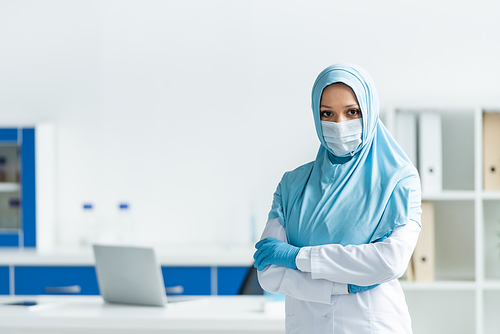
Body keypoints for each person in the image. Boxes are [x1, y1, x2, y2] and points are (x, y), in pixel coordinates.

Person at [253, 63, 422, 334]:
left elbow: (390, 261)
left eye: (352, 112)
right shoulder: (293, 184)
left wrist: (298, 258)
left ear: (368, 111)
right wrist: (344, 284)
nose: (339, 125)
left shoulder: (399, 181)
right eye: (327, 114)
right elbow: (270, 272)